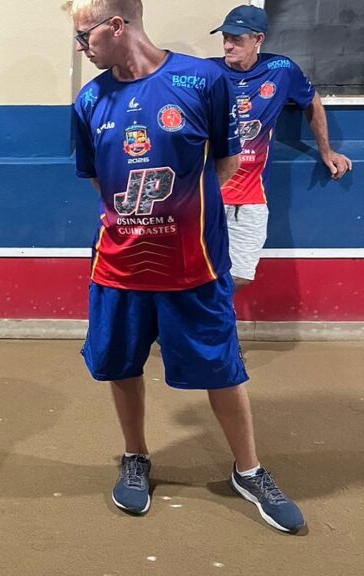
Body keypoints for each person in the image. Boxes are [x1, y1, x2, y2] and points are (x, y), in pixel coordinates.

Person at [68, 0, 304, 533]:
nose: (80, 48)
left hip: (194, 265)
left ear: (117, 26)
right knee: (122, 365)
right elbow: (99, 179)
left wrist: (181, 214)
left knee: (222, 368)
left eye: (85, 36)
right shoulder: (89, 100)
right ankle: (136, 456)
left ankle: (249, 470)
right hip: (119, 268)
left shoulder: (202, 81)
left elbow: (227, 162)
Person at [209, 5, 352, 291]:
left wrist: (326, 150)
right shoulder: (206, 72)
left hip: (249, 197)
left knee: (241, 275)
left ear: (258, 39)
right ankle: (200, 317)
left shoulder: (281, 70)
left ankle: (206, 312)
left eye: (236, 39)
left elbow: (311, 100)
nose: (227, 45)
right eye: (225, 38)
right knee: (196, 271)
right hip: (205, 195)